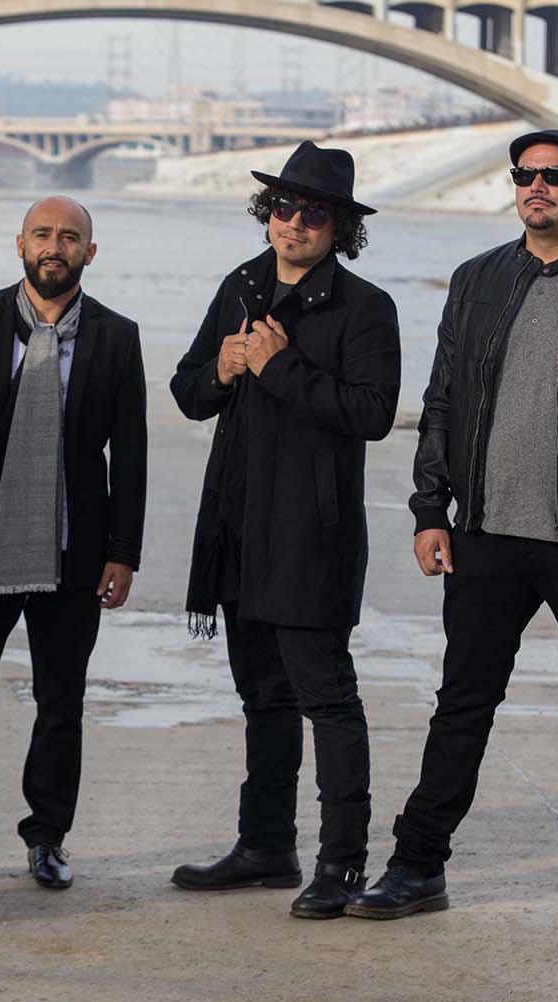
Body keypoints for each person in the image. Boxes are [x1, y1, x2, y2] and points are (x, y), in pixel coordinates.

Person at [349, 130, 558, 945]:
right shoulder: (477, 280)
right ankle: (419, 863)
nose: (536, 187)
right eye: (524, 176)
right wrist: (430, 509)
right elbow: (439, 403)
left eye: (555, 176)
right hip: (487, 537)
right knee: (461, 705)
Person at [169, 141, 401, 919]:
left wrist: (279, 370)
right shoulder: (239, 286)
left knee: (326, 699)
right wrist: (226, 370)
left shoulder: (365, 307)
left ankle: (341, 864)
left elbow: (372, 414)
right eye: (280, 206)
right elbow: (187, 389)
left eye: (311, 212)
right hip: (237, 525)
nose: (291, 222)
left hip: (312, 534)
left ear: (339, 227)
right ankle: (266, 845)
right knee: (261, 697)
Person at [0, 196, 146, 892]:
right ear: (19, 243)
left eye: (69, 238)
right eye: (42, 234)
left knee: (61, 702)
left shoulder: (115, 336)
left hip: (74, 551)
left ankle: (48, 839)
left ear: (89, 254)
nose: (54, 246)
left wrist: (122, 551)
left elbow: (128, 453)